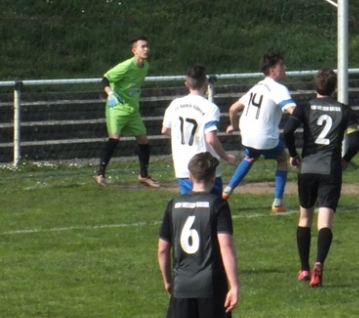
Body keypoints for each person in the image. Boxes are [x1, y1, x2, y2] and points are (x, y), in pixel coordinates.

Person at [158, 152, 239, 318]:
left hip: (182, 284)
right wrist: (234, 285)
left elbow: (162, 249)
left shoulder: (173, 204)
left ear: (190, 177)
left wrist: (168, 280)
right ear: (214, 177)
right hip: (211, 285)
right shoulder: (218, 206)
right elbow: (225, 246)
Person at [282, 68, 359, 286]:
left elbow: (287, 132)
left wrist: (293, 154)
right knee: (325, 222)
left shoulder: (304, 107)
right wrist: (346, 159)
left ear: (315, 86)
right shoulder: (344, 110)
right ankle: (319, 264)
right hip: (330, 170)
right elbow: (355, 142)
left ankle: (304, 269)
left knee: (304, 219)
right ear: (334, 88)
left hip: (307, 168)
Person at [223, 51, 297, 212]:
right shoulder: (278, 88)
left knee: (251, 156)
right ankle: (278, 202)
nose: (285, 67)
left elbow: (233, 108)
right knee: (282, 158)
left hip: (246, 136)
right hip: (264, 137)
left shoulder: (257, 87)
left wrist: (232, 126)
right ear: (272, 70)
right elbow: (293, 110)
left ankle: (227, 190)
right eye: (281, 65)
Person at [161, 65, 238, 195]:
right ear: (205, 83)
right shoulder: (210, 107)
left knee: (188, 204)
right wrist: (226, 157)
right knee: (212, 205)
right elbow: (211, 139)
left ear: (186, 84)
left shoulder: (175, 104)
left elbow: (165, 130)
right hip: (205, 167)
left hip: (183, 166)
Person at [95, 36, 160, 188]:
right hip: (117, 108)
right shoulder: (126, 66)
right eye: (142, 47)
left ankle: (143, 175)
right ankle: (100, 174)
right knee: (114, 138)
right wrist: (110, 93)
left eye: (147, 46)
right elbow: (105, 79)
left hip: (133, 110)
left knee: (143, 140)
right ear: (134, 50)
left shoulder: (145, 66)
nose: (146, 49)